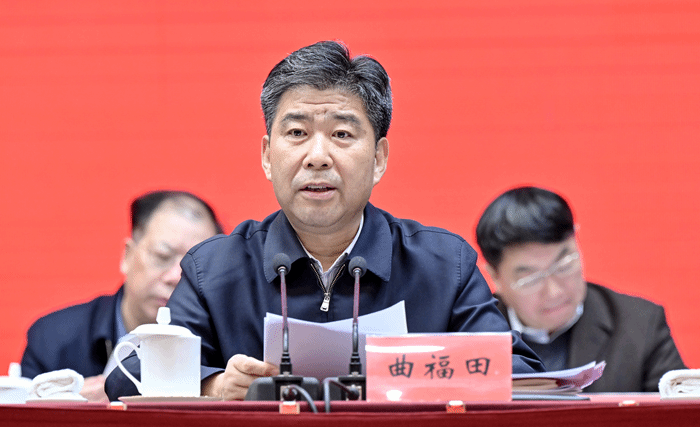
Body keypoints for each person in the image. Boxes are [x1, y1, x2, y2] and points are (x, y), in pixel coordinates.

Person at [106, 40, 544, 401]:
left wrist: (422, 377)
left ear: (378, 158)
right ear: (267, 155)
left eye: (342, 134)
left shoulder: (443, 266)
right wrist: (214, 385)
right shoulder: (214, 269)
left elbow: (523, 377)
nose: (317, 157)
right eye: (297, 133)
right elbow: (128, 375)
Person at [476, 186, 686, 392]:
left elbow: (680, 410)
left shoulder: (640, 324)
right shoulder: (471, 336)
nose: (554, 292)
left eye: (564, 265)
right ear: (495, 276)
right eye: (530, 279)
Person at [21, 190, 223, 401]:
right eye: (163, 256)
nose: (175, 277)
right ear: (127, 255)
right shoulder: (53, 339)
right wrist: (65, 402)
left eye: (193, 267)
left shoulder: (224, 346)